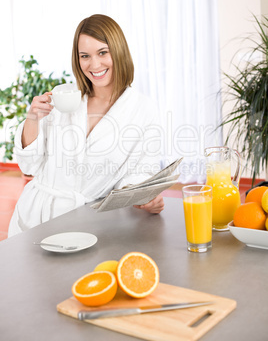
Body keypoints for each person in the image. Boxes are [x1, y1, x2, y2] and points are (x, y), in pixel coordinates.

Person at [8, 14, 164, 236]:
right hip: (34, 221)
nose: (94, 64)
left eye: (102, 52)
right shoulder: (63, 98)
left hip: (92, 226)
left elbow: (141, 171)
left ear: (118, 51)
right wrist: (32, 118)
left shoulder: (142, 109)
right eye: (85, 56)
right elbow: (28, 166)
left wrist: (144, 198)